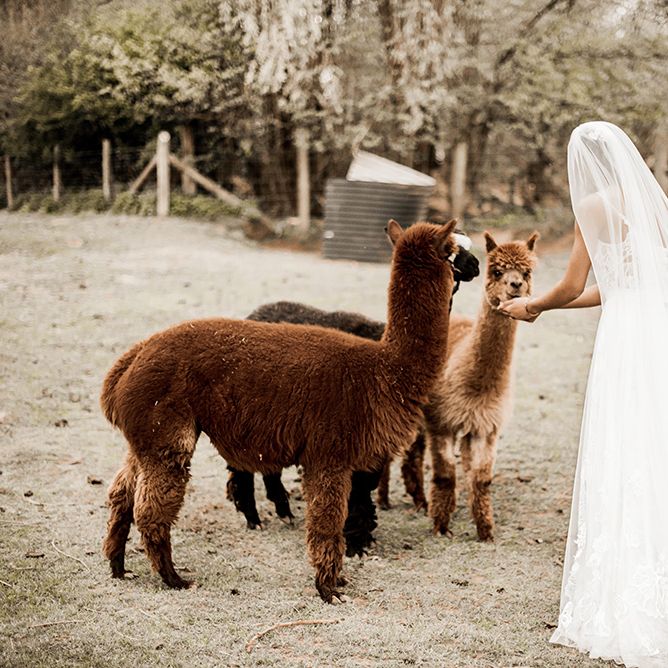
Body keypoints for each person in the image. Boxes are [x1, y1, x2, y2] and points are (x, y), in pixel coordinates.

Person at [499, 120, 668, 667]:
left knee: (624, 445)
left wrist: (536, 306)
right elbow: (615, 286)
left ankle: (629, 592)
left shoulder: (593, 207)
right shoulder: (650, 202)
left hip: (624, 341)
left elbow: (574, 284)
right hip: (655, 331)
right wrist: (541, 305)